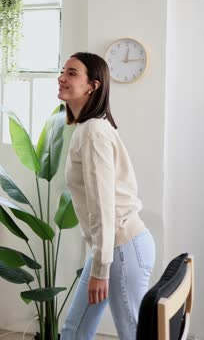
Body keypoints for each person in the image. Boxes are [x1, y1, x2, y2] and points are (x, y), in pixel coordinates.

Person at [58, 52, 155, 340]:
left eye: (72, 73)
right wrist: (99, 261)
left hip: (122, 247)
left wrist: (101, 269)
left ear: (93, 86)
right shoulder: (87, 129)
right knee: (74, 330)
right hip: (112, 247)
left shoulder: (93, 133)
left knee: (133, 332)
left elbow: (103, 205)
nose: (62, 77)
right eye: (63, 71)